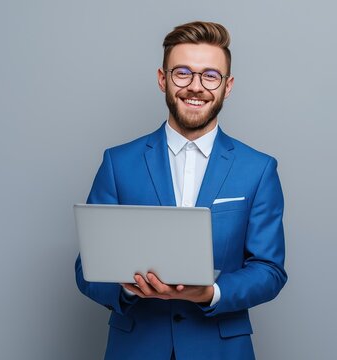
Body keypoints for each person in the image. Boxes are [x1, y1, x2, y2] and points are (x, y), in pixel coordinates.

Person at [75, 21, 287, 360]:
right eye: (183, 73)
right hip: (136, 348)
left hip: (221, 349)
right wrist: (126, 291)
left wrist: (211, 293)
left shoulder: (258, 169)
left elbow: (270, 270)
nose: (196, 86)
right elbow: (87, 268)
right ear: (163, 79)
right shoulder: (118, 162)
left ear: (227, 86)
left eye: (210, 75)